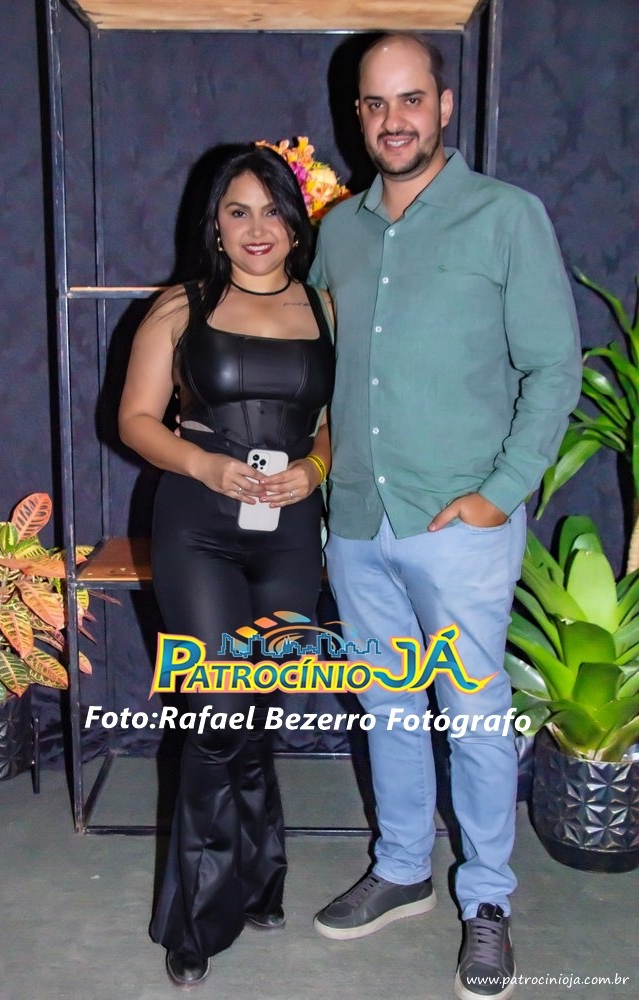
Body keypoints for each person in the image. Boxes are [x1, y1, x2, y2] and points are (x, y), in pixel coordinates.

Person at [309, 33, 581, 1000]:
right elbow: (327, 364)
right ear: (358, 115)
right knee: (385, 706)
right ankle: (401, 868)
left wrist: (500, 492)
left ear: (444, 105)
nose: (394, 121)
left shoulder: (506, 216)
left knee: (472, 717)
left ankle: (488, 900)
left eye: (410, 99)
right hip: (357, 521)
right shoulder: (337, 232)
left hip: (459, 523)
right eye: (375, 104)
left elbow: (553, 367)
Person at [118, 144, 335, 987]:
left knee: (258, 706)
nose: (256, 228)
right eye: (237, 210)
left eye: (272, 210)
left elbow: (338, 422)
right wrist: (204, 466)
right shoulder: (181, 305)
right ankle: (198, 916)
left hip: (289, 528)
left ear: (296, 223)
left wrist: (313, 469)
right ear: (214, 223)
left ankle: (258, 876)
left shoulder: (326, 306)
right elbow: (136, 419)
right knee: (217, 706)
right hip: (198, 525)